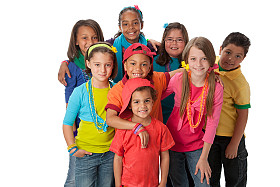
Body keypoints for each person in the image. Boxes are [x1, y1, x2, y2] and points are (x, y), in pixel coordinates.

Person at [163, 37, 224, 186]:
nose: (198, 64)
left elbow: (212, 125)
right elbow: (156, 96)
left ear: (211, 61)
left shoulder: (216, 87)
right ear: (187, 60)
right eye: (193, 59)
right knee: (179, 183)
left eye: (204, 59)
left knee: (203, 182)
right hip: (172, 142)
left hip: (197, 145)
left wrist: (203, 158)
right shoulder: (178, 79)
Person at [105, 43, 182, 148]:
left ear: (150, 66)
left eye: (144, 64)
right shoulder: (118, 90)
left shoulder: (156, 79)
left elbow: (180, 73)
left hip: (155, 142)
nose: (138, 69)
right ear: (125, 66)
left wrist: (201, 70)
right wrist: (137, 127)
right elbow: (110, 119)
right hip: (128, 146)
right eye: (133, 64)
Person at [62, 42, 118, 187]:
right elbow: (67, 123)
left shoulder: (116, 90)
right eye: (97, 64)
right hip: (86, 153)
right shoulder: (79, 92)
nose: (102, 70)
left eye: (107, 65)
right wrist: (72, 148)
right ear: (88, 64)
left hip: (110, 153)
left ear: (113, 65)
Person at [58, 5, 159, 84]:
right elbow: (93, 52)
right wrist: (65, 62)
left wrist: (149, 40)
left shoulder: (150, 47)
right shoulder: (111, 44)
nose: (131, 27)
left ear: (142, 25)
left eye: (135, 23)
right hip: (118, 91)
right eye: (125, 24)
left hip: (142, 94)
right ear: (120, 27)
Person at [61, 19, 104, 187]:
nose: (90, 42)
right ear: (76, 41)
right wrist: (73, 142)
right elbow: (68, 103)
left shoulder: (103, 61)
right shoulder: (72, 67)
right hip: (81, 133)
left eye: (94, 37)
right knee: (75, 177)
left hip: (101, 134)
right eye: (84, 38)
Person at [109, 78, 175, 187]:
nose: (143, 106)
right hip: (127, 184)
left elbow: (165, 156)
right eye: (136, 102)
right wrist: (117, 184)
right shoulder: (123, 129)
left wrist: (163, 182)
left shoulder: (161, 128)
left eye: (147, 100)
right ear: (129, 105)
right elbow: (118, 158)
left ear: (153, 101)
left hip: (152, 184)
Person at [153, 22, 194, 187]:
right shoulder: (154, 58)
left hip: (185, 123)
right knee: (168, 163)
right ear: (163, 41)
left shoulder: (192, 60)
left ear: (186, 42)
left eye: (179, 39)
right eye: (169, 39)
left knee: (186, 166)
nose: (174, 43)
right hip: (161, 120)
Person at [208, 32, 251, 187]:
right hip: (210, 137)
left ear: (244, 59)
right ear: (220, 49)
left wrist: (234, 143)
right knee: (210, 179)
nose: (231, 59)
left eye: (238, 56)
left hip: (232, 138)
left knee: (235, 180)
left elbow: (243, 115)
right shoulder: (209, 67)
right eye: (228, 52)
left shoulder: (240, 84)